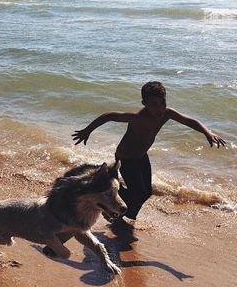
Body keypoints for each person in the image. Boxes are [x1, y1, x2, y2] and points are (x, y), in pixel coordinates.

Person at [72, 81, 226, 224]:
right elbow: (109, 116)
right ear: (144, 104)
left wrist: (207, 132)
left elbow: (189, 121)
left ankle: (127, 215)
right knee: (138, 193)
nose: (159, 108)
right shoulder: (137, 117)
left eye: (162, 102)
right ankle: (112, 203)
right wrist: (87, 131)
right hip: (126, 158)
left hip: (141, 156)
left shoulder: (167, 113)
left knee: (147, 193)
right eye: (154, 104)